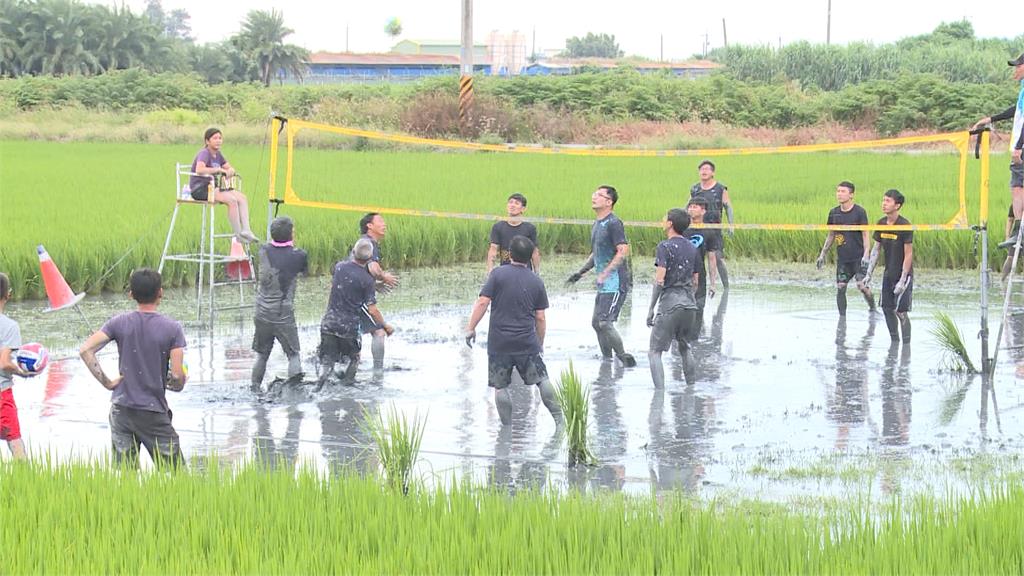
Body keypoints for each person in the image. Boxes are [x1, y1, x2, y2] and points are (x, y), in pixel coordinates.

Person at [79, 269, 187, 468]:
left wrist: (108, 383)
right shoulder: (173, 328)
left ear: (131, 295)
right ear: (160, 293)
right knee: (176, 476)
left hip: (122, 409)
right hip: (153, 411)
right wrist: (177, 383)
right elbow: (178, 375)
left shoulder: (118, 322)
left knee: (125, 477)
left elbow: (86, 350)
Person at [465, 235, 563, 427]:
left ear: (509, 254)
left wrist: (471, 328)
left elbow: (483, 302)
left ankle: (506, 429)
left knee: (500, 387)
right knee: (542, 379)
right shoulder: (536, 281)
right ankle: (560, 421)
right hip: (527, 342)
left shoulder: (497, 274)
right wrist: (539, 343)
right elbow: (540, 318)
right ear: (529, 257)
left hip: (499, 343)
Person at [566, 185, 637, 367]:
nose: (594, 197)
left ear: (609, 202)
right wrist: (580, 273)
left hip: (615, 283)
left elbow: (622, 251)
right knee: (597, 323)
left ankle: (624, 358)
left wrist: (606, 272)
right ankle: (607, 361)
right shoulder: (597, 223)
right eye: (594, 193)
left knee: (605, 322)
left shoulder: (614, 223)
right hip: (604, 283)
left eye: (599, 195)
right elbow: (596, 254)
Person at [318, 238, 394, 390]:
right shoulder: (367, 280)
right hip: (349, 329)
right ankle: (348, 388)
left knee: (327, 361)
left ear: (353, 252)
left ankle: (320, 387)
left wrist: (372, 285)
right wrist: (385, 325)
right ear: (370, 258)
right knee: (354, 359)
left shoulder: (340, 267)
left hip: (328, 324)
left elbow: (346, 283)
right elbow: (372, 310)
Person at [251, 216, 308, 393]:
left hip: (261, 312)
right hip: (283, 313)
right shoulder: (299, 255)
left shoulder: (263, 251)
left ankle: (254, 389)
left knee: (262, 354)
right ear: (291, 233)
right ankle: (295, 394)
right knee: (293, 354)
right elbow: (304, 273)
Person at [972, 53, 1024, 248]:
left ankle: (1019, 231)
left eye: (1018, 66)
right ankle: (1018, 232)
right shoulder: (1022, 89)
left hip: (1022, 147)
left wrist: (1018, 147)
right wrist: (992, 118)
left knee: (1017, 187)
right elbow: (1017, 111)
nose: (1015, 70)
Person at [647, 208, 700, 389]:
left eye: (665, 218)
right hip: (689, 306)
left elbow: (659, 280)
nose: (662, 220)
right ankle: (691, 388)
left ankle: (659, 395)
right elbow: (695, 282)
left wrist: (651, 308)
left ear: (670, 224)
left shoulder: (665, 247)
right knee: (685, 347)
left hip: (670, 304)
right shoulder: (693, 248)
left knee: (654, 351)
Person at [189, 127, 258, 244]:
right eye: (215, 138)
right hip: (201, 189)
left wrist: (230, 171)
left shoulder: (219, 155)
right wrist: (218, 170)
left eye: (220, 138)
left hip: (214, 188)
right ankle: (238, 234)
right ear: (207, 141)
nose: (218, 140)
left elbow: (229, 167)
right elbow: (199, 169)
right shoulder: (204, 153)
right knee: (231, 200)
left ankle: (246, 230)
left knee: (242, 198)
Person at [816, 181, 875, 315]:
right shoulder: (834, 213)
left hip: (859, 257)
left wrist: (866, 254)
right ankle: (842, 318)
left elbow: (866, 234)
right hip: (843, 258)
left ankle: (872, 308)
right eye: (838, 191)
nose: (840, 194)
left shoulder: (860, 212)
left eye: (843, 191)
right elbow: (831, 234)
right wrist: (822, 254)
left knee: (862, 286)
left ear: (851, 195)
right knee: (841, 287)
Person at [865, 189, 913, 344]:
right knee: (886, 308)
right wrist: (868, 273)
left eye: (888, 201)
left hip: (902, 274)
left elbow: (909, 254)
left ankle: (906, 346)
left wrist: (903, 279)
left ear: (897, 205)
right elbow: (876, 249)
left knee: (900, 311)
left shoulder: (904, 225)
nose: (884, 204)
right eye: (883, 200)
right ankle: (895, 343)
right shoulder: (881, 223)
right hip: (888, 273)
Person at [356, 212, 399, 370]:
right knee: (379, 331)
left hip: (350, 294)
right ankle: (378, 371)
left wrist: (374, 285)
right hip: (357, 298)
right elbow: (372, 268)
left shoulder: (364, 242)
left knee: (353, 334)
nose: (384, 224)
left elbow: (359, 271)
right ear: (369, 226)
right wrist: (383, 276)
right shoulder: (369, 244)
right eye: (380, 221)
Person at [0, 272, 33, 459]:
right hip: (1, 393)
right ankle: (26, 477)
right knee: (14, 440)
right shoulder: (9, 326)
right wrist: (22, 372)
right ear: (8, 295)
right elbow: (4, 363)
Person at [689, 160, 733, 289]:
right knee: (695, 257)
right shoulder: (695, 189)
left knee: (717, 258)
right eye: (702, 169)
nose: (704, 171)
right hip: (697, 228)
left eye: (707, 169)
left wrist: (731, 225)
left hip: (714, 228)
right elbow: (688, 206)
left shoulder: (720, 188)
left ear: (712, 172)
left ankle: (726, 287)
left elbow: (728, 207)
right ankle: (696, 285)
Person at [685, 197, 721, 331]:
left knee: (698, 309)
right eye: (690, 206)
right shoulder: (682, 229)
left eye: (695, 207)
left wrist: (713, 284)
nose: (691, 209)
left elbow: (712, 259)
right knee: (679, 310)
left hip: (700, 277)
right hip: (681, 276)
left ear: (703, 211)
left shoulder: (709, 232)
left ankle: (695, 341)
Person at [486, 193, 540, 273]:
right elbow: (493, 249)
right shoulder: (498, 227)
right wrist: (490, 270)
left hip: (525, 271)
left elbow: (534, 252)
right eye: (510, 202)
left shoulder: (530, 228)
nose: (512, 205)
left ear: (523, 209)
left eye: (516, 203)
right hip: (505, 271)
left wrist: (537, 272)